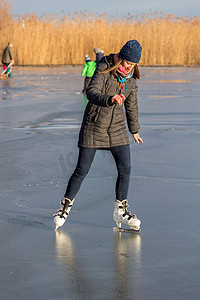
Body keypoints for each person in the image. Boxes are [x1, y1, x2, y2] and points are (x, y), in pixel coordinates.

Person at [54, 40, 143, 232]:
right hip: (94, 125)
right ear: (121, 57)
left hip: (117, 128)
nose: (129, 67)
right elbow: (91, 92)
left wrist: (134, 130)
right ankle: (64, 208)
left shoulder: (131, 79)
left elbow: (132, 105)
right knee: (82, 169)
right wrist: (109, 99)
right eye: (128, 62)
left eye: (133, 64)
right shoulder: (104, 67)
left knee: (125, 168)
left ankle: (120, 210)